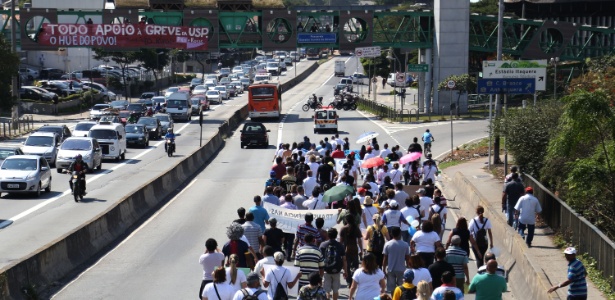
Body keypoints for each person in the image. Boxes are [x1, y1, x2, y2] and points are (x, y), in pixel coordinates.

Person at [319, 228, 347, 300]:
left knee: (326, 289)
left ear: (328, 235)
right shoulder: (340, 245)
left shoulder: (323, 245)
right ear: (336, 235)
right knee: (335, 290)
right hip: (337, 271)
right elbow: (344, 259)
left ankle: (327, 297)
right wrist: (345, 271)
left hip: (326, 270)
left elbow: (319, 258)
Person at [383, 227, 411, 293]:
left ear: (391, 234)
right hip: (401, 269)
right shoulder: (405, 245)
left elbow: (385, 258)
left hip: (390, 269)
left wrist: (383, 269)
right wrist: (409, 267)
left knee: (392, 290)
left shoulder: (387, 244)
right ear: (400, 233)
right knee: (401, 289)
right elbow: (407, 258)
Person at [340, 214, 363, 287]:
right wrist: (361, 249)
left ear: (346, 220)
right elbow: (359, 240)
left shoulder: (343, 228)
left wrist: (340, 250)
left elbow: (341, 241)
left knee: (347, 266)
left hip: (346, 248)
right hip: (354, 248)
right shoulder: (356, 228)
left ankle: (349, 281)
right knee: (355, 265)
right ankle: (355, 280)